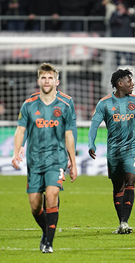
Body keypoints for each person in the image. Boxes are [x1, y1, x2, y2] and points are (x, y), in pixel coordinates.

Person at [11, 63, 77, 253]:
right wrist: (16, 152)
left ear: (57, 81)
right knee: (34, 205)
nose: (47, 81)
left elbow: (69, 134)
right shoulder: (29, 104)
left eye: (50, 78)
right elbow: (20, 130)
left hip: (56, 159)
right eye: (43, 78)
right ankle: (47, 230)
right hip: (34, 160)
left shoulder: (65, 104)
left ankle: (48, 242)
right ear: (38, 80)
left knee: (52, 194)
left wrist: (72, 161)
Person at [88, 68, 135, 234]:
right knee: (118, 188)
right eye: (129, 81)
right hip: (114, 152)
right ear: (119, 84)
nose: (132, 84)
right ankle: (121, 223)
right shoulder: (104, 103)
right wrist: (91, 143)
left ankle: (125, 222)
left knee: (130, 183)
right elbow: (94, 125)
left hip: (133, 149)